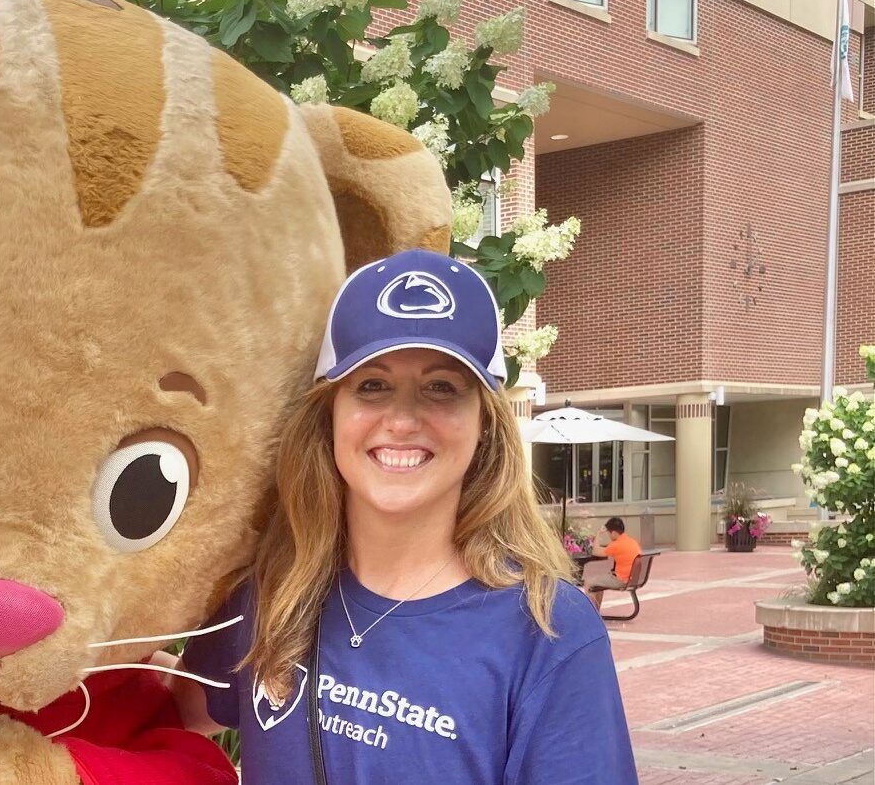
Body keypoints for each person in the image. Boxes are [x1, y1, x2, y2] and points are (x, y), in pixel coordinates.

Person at [168, 249, 636, 784]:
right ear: (330, 416)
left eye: (441, 388)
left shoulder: (548, 632)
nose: (402, 419)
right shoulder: (269, 592)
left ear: (484, 423)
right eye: (372, 385)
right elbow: (170, 713)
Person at [587, 517, 641, 610]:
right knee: (600, 580)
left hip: (621, 580)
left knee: (588, 582)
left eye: (609, 533)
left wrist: (598, 533)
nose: (609, 536)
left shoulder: (617, 544)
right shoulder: (632, 542)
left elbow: (595, 551)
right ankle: (596, 611)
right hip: (632, 579)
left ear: (614, 533)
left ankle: (591, 614)